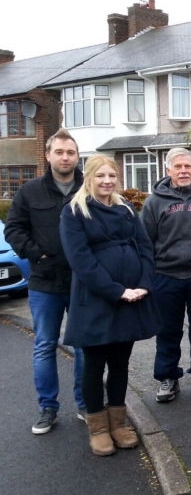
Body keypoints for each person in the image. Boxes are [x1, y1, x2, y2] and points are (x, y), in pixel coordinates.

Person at [59, 155, 162, 456]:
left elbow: (144, 247)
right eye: (101, 175)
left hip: (132, 298)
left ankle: (118, 423)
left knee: (120, 364)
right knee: (93, 366)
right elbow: (81, 261)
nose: (107, 181)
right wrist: (117, 291)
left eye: (112, 176)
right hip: (95, 301)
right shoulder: (74, 212)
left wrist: (144, 283)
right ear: (89, 177)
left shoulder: (127, 209)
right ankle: (99, 428)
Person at [5, 129, 86, 434]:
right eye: (60, 152)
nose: (65, 157)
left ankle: (85, 403)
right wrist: (35, 254)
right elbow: (14, 229)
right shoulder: (30, 191)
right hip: (44, 282)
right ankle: (47, 408)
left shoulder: (87, 189)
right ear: (48, 155)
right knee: (44, 346)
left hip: (82, 282)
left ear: (77, 156)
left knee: (82, 345)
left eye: (71, 152)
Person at [140, 148, 191, 403]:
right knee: (168, 330)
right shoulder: (154, 202)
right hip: (166, 275)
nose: (184, 171)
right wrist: (148, 277)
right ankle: (167, 376)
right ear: (168, 170)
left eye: (188, 166)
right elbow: (145, 242)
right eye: (178, 167)